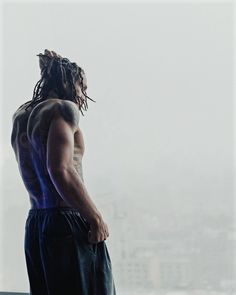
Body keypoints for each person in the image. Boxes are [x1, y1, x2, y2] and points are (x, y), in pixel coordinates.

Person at [10, 49, 116, 295]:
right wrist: (95, 218)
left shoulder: (21, 116)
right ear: (70, 83)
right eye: (83, 87)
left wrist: (52, 68)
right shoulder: (63, 110)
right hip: (66, 221)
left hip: (37, 222)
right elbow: (60, 169)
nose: (83, 95)